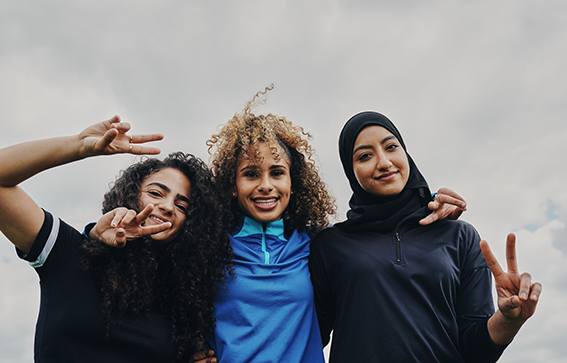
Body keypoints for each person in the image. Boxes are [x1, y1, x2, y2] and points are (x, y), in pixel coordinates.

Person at [190, 88, 467, 363]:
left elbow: (373, 240)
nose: (266, 186)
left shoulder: (315, 243)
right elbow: (173, 310)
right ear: (232, 185)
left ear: (293, 182)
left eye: (277, 173)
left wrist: (427, 203)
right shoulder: (209, 248)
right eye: (251, 174)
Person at [308, 111, 542, 362]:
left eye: (391, 147)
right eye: (365, 156)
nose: (384, 162)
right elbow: (308, 338)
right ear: (350, 170)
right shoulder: (329, 244)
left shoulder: (459, 235)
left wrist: (507, 321)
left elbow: (475, 352)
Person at [0, 116, 232, 362]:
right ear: (131, 195)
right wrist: (79, 145)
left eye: (182, 205)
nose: (167, 206)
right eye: (155, 193)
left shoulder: (183, 302)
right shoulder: (68, 254)